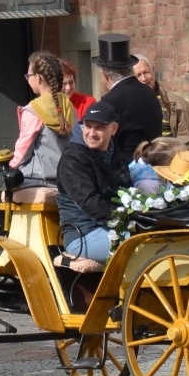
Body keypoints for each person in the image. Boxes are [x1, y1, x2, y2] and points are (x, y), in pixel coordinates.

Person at [0, 52, 77, 263]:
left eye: (28, 75)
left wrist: (8, 167)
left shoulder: (34, 110)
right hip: (65, 178)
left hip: (39, 178)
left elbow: (23, 149)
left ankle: (2, 234)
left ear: (38, 78)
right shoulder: (68, 106)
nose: (28, 79)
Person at [54, 101, 131, 273]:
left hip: (111, 227)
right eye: (88, 126)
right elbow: (89, 202)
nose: (92, 133)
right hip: (82, 234)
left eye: (99, 127)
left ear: (114, 129)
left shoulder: (113, 151)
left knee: (155, 237)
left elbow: (125, 188)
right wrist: (126, 220)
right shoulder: (72, 160)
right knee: (138, 243)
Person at [90, 34, 163, 163]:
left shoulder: (110, 102)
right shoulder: (150, 92)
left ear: (105, 74)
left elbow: (101, 147)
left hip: (127, 171)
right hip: (154, 166)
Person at [133, 55, 189, 156]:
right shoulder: (125, 107)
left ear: (153, 71)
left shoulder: (178, 106)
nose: (144, 78)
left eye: (146, 72)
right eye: (138, 75)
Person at [55, 55, 96, 121]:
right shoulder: (45, 105)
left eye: (71, 82)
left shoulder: (86, 102)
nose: (68, 88)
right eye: (63, 84)